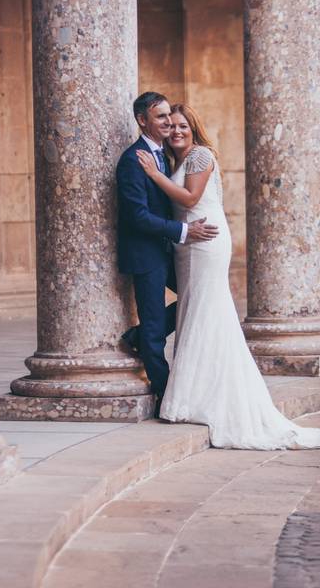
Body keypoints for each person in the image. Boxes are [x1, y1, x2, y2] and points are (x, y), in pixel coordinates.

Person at [135, 103, 320, 449]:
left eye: (183, 125)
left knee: (204, 309)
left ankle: (194, 396)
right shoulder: (175, 160)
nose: (177, 130)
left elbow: (191, 196)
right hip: (188, 244)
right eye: (171, 126)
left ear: (193, 127)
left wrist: (154, 176)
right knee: (195, 311)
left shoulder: (200, 156)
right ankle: (189, 391)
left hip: (206, 242)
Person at [116, 92, 219, 407]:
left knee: (201, 296)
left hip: (169, 249)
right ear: (142, 120)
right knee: (153, 326)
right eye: (160, 117)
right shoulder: (134, 160)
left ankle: (138, 337)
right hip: (147, 253)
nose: (168, 123)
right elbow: (138, 216)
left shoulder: (165, 155)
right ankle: (163, 393)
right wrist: (184, 231)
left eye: (170, 118)